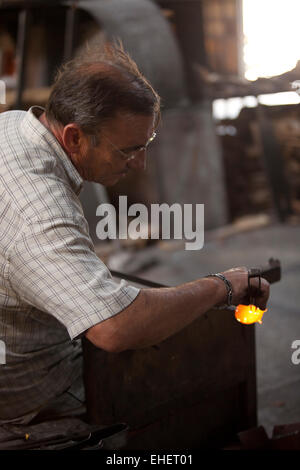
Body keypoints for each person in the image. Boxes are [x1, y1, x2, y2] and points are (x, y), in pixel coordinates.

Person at [0, 43, 270, 425]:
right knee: (181, 374)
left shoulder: (14, 126)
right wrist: (222, 286)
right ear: (75, 138)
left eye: (146, 145)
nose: (139, 164)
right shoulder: (38, 207)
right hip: (32, 398)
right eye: (128, 149)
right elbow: (115, 327)